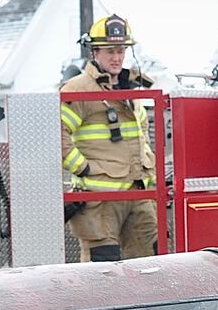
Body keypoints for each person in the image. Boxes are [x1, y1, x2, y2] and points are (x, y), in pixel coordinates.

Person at [59, 14, 157, 261]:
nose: (117, 58)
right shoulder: (78, 89)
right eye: (110, 51)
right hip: (98, 201)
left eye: (121, 51)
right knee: (101, 275)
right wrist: (82, 169)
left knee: (152, 266)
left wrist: (149, 173)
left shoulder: (130, 89)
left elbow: (142, 133)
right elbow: (55, 134)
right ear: (95, 52)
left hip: (138, 194)